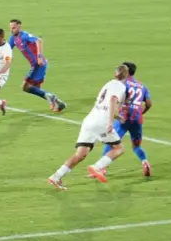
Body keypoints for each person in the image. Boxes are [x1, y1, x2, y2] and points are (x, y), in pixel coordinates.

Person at [47, 62, 131, 190]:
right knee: (119, 149)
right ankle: (97, 167)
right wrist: (110, 122)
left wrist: (118, 116)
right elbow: (113, 100)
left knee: (81, 154)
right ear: (127, 75)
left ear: (115, 74)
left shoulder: (108, 84)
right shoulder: (120, 86)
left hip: (90, 120)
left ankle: (56, 176)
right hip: (101, 122)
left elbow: (105, 104)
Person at [102, 65, 154, 180]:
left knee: (111, 142)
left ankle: (102, 168)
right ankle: (145, 162)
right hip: (137, 119)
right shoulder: (142, 86)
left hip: (123, 118)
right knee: (136, 146)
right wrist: (141, 113)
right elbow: (149, 104)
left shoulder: (122, 84)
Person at [9, 19, 66, 113]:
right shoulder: (13, 39)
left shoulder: (24, 36)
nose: (12, 30)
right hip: (38, 65)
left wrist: (39, 56)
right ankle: (59, 103)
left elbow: (38, 41)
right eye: (10, 28)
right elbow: (6, 49)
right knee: (36, 88)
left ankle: (51, 97)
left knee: (25, 87)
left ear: (19, 26)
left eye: (14, 28)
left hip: (38, 64)